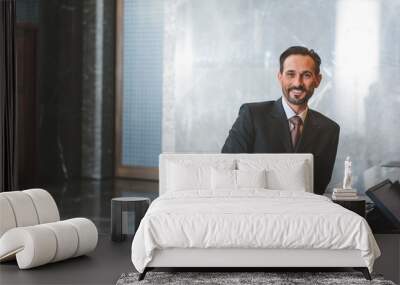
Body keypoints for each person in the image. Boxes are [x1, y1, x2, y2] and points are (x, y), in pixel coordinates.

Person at [221, 46, 340, 195]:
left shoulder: (329, 130)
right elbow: (227, 169)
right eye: (291, 74)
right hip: (253, 207)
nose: (298, 82)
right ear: (280, 77)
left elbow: (317, 187)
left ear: (318, 80)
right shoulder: (252, 115)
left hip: (302, 213)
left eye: (306, 75)